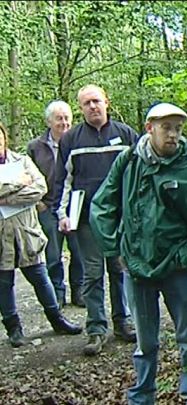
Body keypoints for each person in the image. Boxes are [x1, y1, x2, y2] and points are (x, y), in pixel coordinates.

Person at [90, 103, 187, 404]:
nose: (173, 135)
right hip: (137, 270)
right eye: (167, 127)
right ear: (150, 127)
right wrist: (117, 250)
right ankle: (142, 396)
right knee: (145, 342)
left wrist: (185, 257)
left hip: (177, 269)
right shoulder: (129, 163)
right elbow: (102, 207)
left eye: (178, 128)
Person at [53, 84, 138, 356]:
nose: (92, 107)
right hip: (87, 220)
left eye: (96, 101)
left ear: (106, 102)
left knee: (120, 270)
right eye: (86, 103)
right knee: (92, 274)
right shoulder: (71, 140)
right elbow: (61, 181)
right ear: (80, 108)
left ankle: (122, 322)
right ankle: (96, 329)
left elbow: (140, 175)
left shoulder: (125, 135)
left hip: (120, 219)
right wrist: (63, 215)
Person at [0, 122, 82, 347]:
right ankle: (13, 328)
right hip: (1, 236)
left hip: (27, 233)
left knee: (40, 276)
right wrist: (18, 183)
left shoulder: (22, 161)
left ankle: (57, 319)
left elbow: (39, 188)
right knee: (3, 282)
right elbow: (27, 186)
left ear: (4, 138)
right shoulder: (21, 171)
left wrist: (6, 198)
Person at [27, 100, 85, 308]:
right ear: (49, 121)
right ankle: (57, 294)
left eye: (67, 118)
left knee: (79, 252)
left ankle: (79, 292)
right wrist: (39, 203)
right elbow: (28, 178)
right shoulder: (35, 147)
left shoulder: (79, 141)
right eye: (59, 118)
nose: (64, 123)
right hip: (48, 206)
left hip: (74, 205)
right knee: (53, 254)